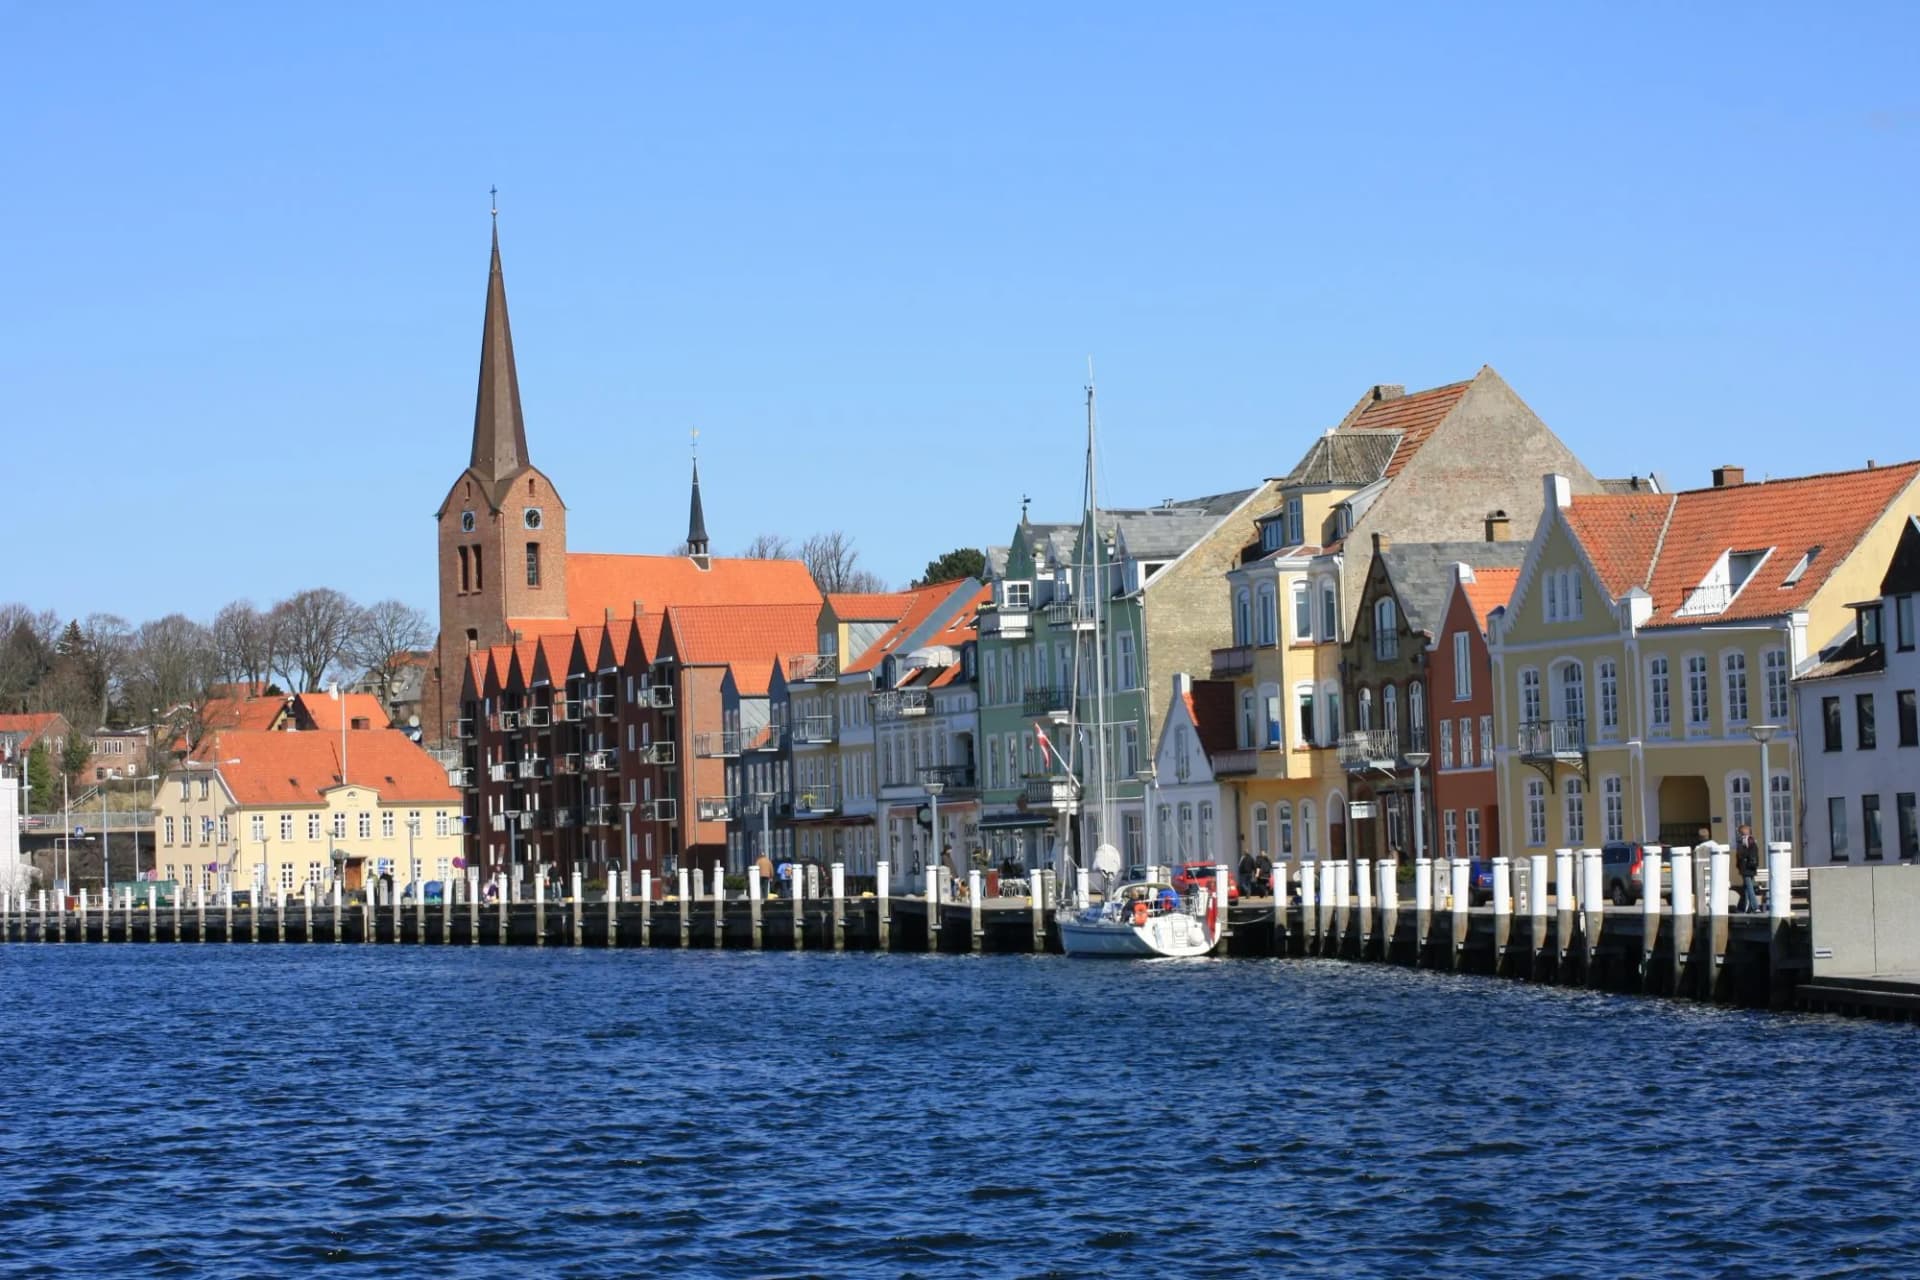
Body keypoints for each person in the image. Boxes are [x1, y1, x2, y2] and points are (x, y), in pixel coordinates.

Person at [1734, 824, 1760, 913]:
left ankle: (1755, 907)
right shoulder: (1753, 841)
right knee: (1746, 887)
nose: (1739, 835)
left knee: (1749, 887)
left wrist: (1739, 865)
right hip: (1751, 867)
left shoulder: (1744, 841)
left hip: (1746, 868)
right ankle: (1744, 907)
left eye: (1740, 833)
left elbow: (1741, 855)